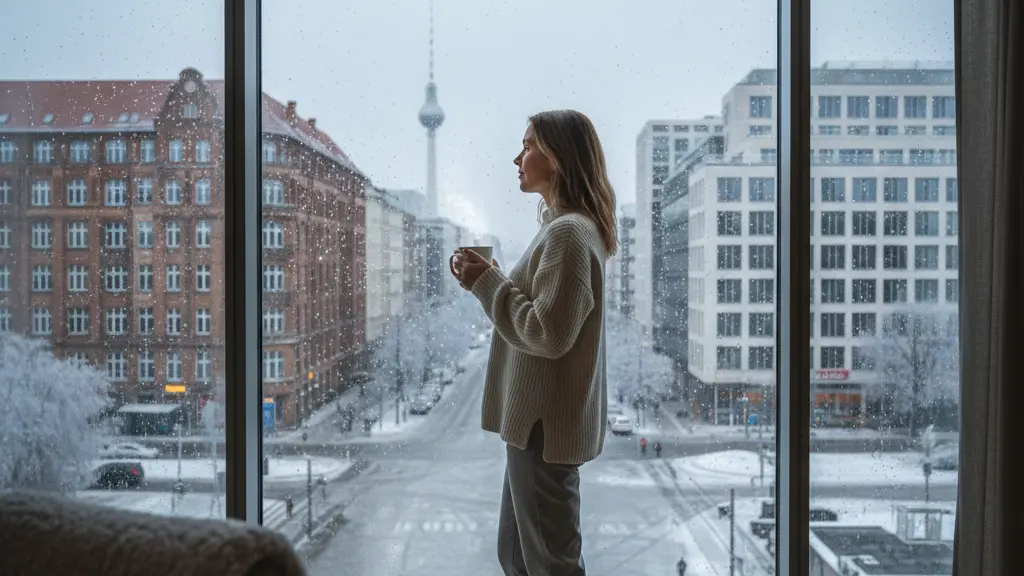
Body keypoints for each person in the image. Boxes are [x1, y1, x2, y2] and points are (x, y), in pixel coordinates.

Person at [451, 109, 617, 576]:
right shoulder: (567, 228)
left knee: (548, 564)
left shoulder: (568, 233)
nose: (516, 158)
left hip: (543, 428)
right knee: (520, 557)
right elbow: (550, 313)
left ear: (559, 157)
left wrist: (487, 285)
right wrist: (493, 280)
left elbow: (548, 332)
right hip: (538, 427)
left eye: (528, 145)